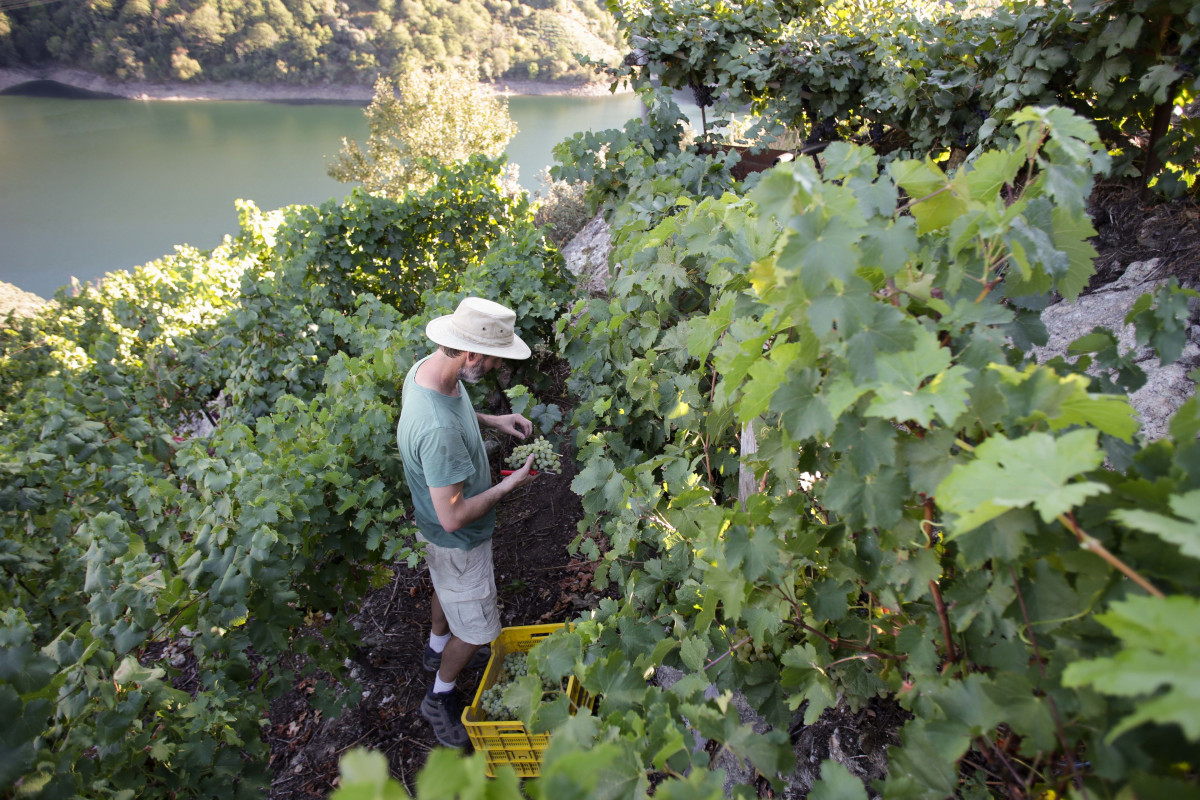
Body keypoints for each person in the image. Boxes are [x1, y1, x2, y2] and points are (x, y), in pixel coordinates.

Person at [395, 296, 538, 748]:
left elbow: (452, 414)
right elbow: (453, 517)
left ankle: (435, 650)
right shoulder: (437, 431)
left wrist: (493, 420)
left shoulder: (429, 370)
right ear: (471, 353)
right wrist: (508, 486)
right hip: (457, 540)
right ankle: (439, 696)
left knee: (445, 585)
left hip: (436, 538)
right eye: (496, 359)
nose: (497, 367)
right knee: (478, 629)